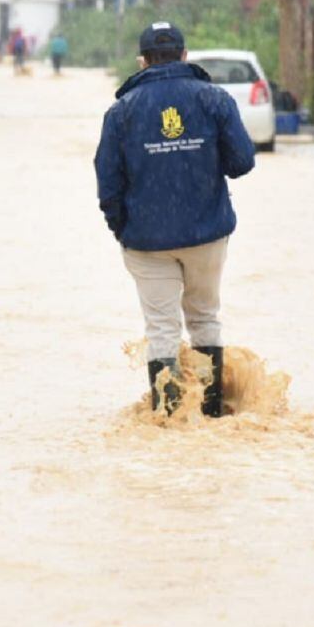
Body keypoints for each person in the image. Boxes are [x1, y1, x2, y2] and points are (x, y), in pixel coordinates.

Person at [93, 21, 256, 417]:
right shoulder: (214, 100)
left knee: (162, 328)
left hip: (147, 242)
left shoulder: (121, 112)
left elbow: (107, 185)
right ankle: (212, 413)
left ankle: (169, 418)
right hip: (207, 234)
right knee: (204, 317)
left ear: (142, 60)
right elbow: (242, 163)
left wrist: (126, 230)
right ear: (185, 55)